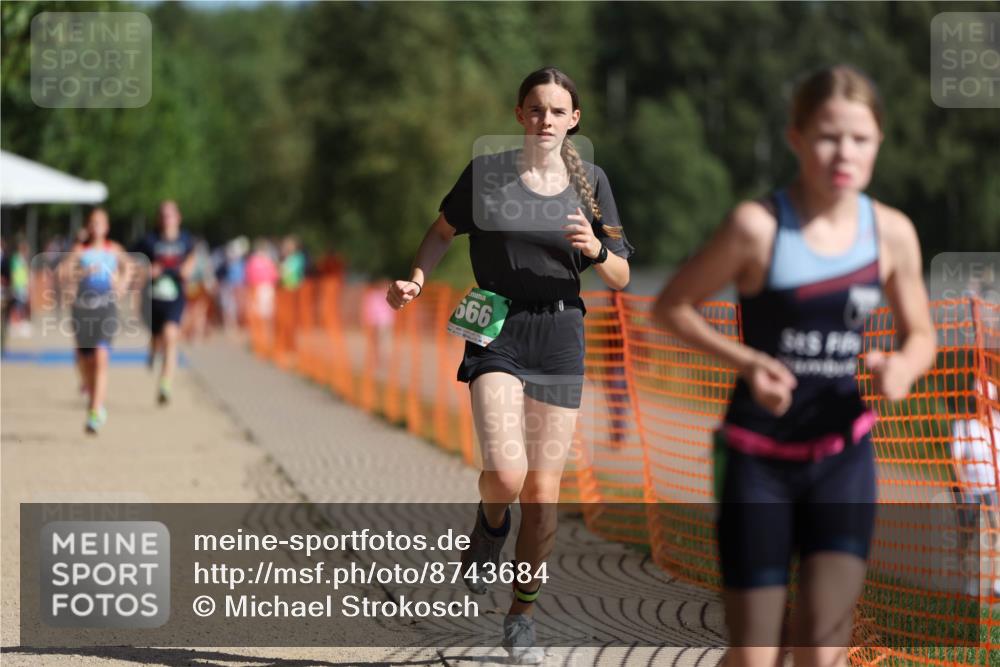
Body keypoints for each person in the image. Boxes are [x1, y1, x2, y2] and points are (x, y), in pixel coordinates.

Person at [652, 65, 936, 667]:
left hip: (843, 459)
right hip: (757, 462)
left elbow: (922, 335)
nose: (845, 153)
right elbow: (671, 307)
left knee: (820, 653)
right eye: (829, 136)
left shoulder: (892, 234)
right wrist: (749, 361)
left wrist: (902, 370)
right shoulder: (756, 227)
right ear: (797, 139)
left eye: (861, 138)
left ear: (879, 142)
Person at [386, 66, 633, 663]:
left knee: (544, 495)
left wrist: (598, 250)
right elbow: (441, 232)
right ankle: (490, 528)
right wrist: (417, 279)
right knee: (504, 472)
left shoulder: (592, 181)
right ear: (519, 114)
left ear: (574, 119)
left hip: (559, 333)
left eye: (557, 110)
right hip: (496, 327)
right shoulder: (487, 174)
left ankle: (521, 617)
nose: (545, 119)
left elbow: (622, 272)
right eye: (536, 108)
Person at [60, 208, 133, 433]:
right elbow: (62, 273)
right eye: (92, 222)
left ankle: (94, 410)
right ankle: (94, 398)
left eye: (100, 222)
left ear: (107, 226)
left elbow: (129, 266)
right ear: (88, 226)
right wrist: (80, 275)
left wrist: (121, 283)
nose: (96, 226)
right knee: (86, 361)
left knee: (101, 357)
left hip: (106, 308)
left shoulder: (114, 250)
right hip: (82, 310)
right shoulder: (80, 251)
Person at [132, 200, 195, 405]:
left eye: (171, 214)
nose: (167, 219)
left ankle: (165, 383)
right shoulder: (149, 240)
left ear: (178, 217)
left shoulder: (186, 240)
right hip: (152, 298)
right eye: (163, 215)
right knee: (157, 336)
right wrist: (147, 271)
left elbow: (193, 258)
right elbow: (133, 260)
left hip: (175, 297)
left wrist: (188, 268)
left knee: (171, 336)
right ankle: (152, 349)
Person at [952, 378, 1000, 598]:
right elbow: (956, 459)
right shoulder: (963, 425)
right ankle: (967, 583)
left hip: (993, 489)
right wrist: (963, 487)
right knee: (968, 537)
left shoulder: (998, 424)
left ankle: (997, 582)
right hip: (970, 489)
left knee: (996, 534)